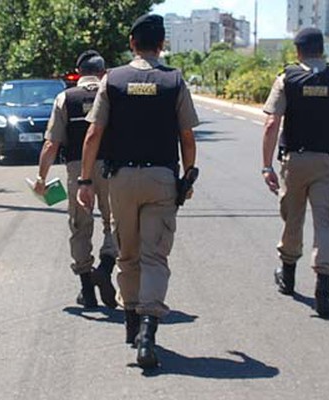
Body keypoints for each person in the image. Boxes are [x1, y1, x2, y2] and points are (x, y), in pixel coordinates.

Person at [77, 14, 199, 368]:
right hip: (161, 178)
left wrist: (85, 181)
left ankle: (131, 323)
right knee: (155, 257)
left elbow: (93, 134)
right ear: (162, 44)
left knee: (127, 252)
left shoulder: (112, 79)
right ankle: (148, 331)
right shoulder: (174, 81)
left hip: (121, 180)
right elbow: (187, 137)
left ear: (132, 43)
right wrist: (187, 176)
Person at [261, 28, 329, 318]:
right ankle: (323, 290)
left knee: (292, 218)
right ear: (322, 49)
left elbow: (271, 124)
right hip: (327, 161)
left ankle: (288, 276)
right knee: (325, 223)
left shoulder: (287, 78)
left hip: (294, 161)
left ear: (298, 51)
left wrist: (266, 165)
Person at [33, 50, 118, 309]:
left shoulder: (64, 98)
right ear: (103, 72)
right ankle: (105, 266)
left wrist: (41, 177)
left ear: (78, 72)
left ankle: (87, 290)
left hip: (77, 169)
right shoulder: (113, 94)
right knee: (114, 222)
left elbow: (51, 144)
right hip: (111, 168)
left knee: (80, 226)